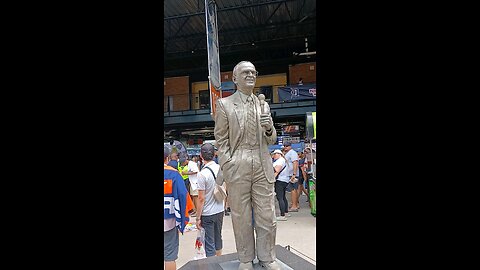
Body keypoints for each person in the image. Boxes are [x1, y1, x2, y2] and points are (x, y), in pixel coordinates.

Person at [214, 60, 280, 270]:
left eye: (253, 72)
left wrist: (269, 128)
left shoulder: (263, 104)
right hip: (238, 165)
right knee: (241, 217)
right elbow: (221, 140)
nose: (251, 75)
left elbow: (271, 139)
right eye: (245, 73)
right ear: (234, 79)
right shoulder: (224, 105)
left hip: (262, 164)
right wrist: (228, 165)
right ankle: (245, 259)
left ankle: (267, 257)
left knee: (267, 216)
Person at [164, 145, 194, 270]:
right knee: (170, 256)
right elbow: (183, 195)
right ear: (167, 159)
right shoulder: (174, 174)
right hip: (169, 221)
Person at [195, 143, 225, 257]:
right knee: (218, 238)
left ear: (201, 156)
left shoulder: (202, 174)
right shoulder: (220, 169)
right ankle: (220, 261)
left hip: (207, 213)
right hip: (220, 210)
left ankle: (213, 266)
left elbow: (201, 198)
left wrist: (198, 218)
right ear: (214, 155)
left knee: (209, 242)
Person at [272, 149, 291, 221]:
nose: (273, 156)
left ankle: (282, 215)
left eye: (275, 154)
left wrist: (272, 179)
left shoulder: (280, 161)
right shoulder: (283, 160)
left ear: (279, 154)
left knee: (280, 197)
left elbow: (277, 170)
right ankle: (285, 212)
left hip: (280, 180)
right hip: (284, 180)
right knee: (283, 196)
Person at [283, 142, 300, 212]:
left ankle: (294, 206)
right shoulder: (288, 153)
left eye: (287, 146)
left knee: (293, 190)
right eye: (284, 146)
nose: (285, 147)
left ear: (290, 146)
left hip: (292, 174)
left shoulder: (292, 153)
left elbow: (295, 163)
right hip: (290, 174)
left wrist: (294, 174)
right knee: (293, 190)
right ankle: (295, 204)